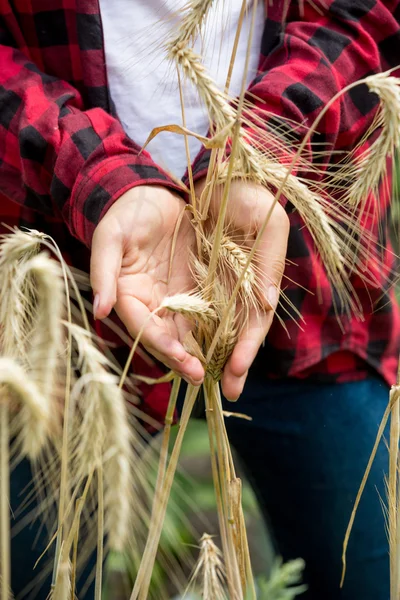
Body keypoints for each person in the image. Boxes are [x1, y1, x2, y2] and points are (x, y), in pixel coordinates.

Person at [0, 0, 399, 598]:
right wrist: (97, 174)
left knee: (368, 575)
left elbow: (365, 12)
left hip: (305, 276)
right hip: (65, 291)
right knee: (38, 577)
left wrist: (260, 149)